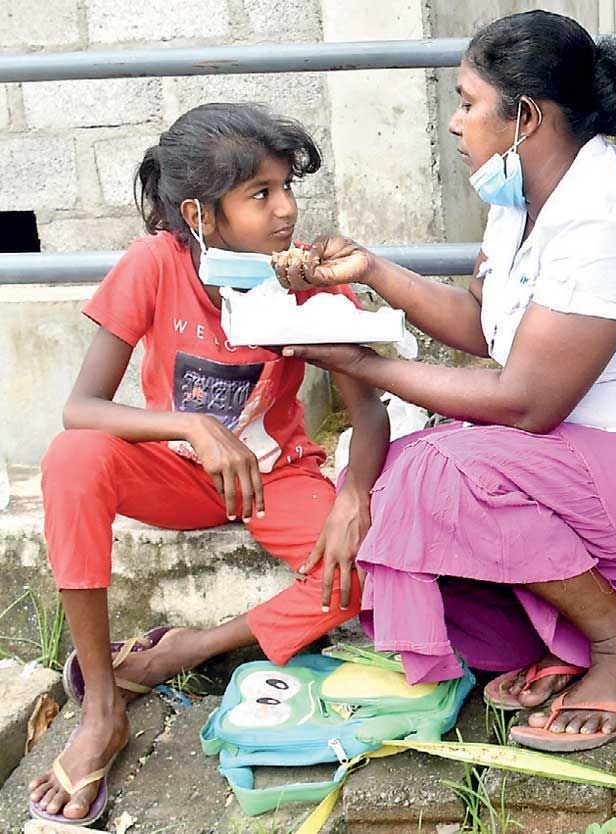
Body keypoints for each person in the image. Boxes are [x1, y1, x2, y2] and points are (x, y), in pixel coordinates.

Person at [272, 10, 616, 753]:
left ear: (525, 117)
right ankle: (572, 635)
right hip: (607, 449)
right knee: (394, 471)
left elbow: (527, 402)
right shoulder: (523, 202)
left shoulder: (604, 220)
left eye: (469, 101)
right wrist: (373, 270)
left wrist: (367, 367)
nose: (453, 122)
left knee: (439, 470)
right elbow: (485, 327)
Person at [29, 103, 389, 824]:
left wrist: (355, 496)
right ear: (198, 213)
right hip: (178, 475)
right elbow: (83, 407)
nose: (286, 209)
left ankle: (179, 653)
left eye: (287, 187)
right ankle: (102, 707)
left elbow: (370, 408)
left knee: (366, 565)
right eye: (260, 194)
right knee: (73, 459)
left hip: (276, 476)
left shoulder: (309, 280)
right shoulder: (153, 264)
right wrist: (190, 424)